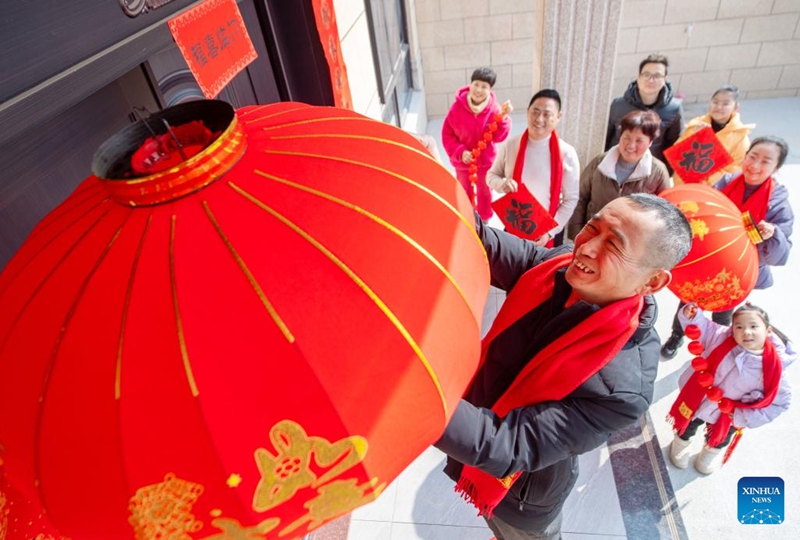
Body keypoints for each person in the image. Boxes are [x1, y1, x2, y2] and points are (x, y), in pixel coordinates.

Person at [434, 194, 693, 539]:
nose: (586, 247)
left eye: (614, 245)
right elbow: (474, 238)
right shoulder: (555, 267)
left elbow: (506, 444)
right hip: (472, 423)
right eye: (592, 227)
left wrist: (416, 393)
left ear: (652, 282)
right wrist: (432, 186)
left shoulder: (623, 388)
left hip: (522, 489)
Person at [661, 136, 794, 358]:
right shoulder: (726, 182)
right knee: (688, 301)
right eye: (753, 157)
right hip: (707, 258)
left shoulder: (778, 203)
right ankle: (677, 335)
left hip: (736, 270)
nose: (755, 165)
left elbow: (782, 253)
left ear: (776, 167)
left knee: (723, 311)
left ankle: (716, 348)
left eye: (765, 161)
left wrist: (773, 235)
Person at [668, 303, 794, 475]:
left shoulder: (775, 368)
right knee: (689, 422)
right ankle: (681, 443)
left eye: (753, 326)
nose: (746, 332)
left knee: (721, 437)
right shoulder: (721, 336)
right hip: (699, 399)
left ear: (768, 331)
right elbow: (703, 327)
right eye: (739, 326)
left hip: (729, 414)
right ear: (732, 329)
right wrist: (692, 315)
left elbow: (780, 403)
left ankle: (708, 455)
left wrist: (744, 416)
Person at [487, 89, 579, 247]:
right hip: (514, 225)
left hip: (548, 232)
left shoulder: (567, 153)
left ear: (558, 117)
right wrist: (502, 184)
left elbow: (571, 199)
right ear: (527, 112)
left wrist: (549, 232)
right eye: (535, 111)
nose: (539, 119)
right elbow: (491, 176)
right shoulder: (511, 145)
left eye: (547, 114)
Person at [567, 110, 670, 239]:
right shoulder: (599, 163)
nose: (631, 146)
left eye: (639, 141)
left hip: (630, 244)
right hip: (594, 235)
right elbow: (580, 198)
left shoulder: (658, 172)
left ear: (650, 142)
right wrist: (576, 235)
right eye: (627, 138)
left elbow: (664, 214)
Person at [442, 67, 513, 221]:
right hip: (463, 163)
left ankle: (484, 221)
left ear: (490, 89)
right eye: (476, 84)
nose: (479, 90)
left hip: (484, 163)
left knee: (484, 192)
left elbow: (499, 137)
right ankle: (466, 218)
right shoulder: (456, 108)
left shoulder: (495, 109)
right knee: (463, 190)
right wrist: (460, 152)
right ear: (471, 84)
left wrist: (504, 118)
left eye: (484, 86)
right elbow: (447, 135)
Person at [606, 54, 684, 175]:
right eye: (646, 74)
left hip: (650, 173)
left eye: (657, 75)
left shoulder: (673, 108)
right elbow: (606, 137)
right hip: (617, 167)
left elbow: (674, 145)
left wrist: (665, 174)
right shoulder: (618, 105)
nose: (651, 80)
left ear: (665, 79)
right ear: (638, 77)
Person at [673, 84, 754, 186]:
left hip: (712, 192)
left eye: (725, 104)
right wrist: (694, 140)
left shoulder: (740, 138)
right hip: (683, 186)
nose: (719, 107)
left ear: (735, 107)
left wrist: (705, 178)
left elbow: (734, 172)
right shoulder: (696, 125)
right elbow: (676, 155)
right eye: (715, 102)